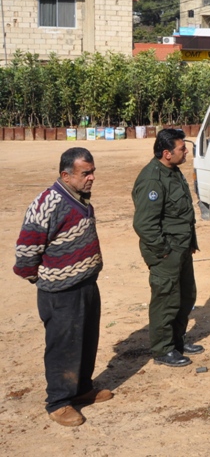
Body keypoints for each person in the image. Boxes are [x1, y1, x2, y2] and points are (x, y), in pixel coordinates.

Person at [13, 147, 112, 427]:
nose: (91, 177)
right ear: (65, 175)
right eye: (85, 173)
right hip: (59, 293)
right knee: (62, 346)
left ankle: (81, 389)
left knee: (85, 340)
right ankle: (58, 402)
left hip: (86, 286)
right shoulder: (47, 203)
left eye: (93, 172)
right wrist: (45, 280)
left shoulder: (80, 198)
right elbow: (25, 254)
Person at [132, 128, 202, 368]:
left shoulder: (173, 172)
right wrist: (163, 250)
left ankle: (177, 341)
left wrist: (189, 243)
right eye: (182, 148)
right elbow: (144, 224)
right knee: (166, 299)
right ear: (166, 153)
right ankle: (163, 349)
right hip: (167, 252)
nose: (186, 151)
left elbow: (181, 214)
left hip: (181, 247)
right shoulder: (152, 179)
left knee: (185, 296)